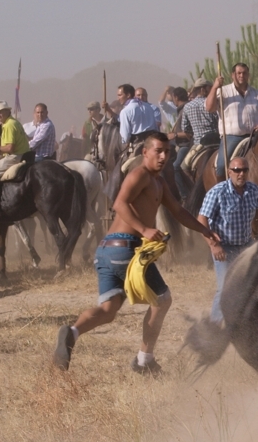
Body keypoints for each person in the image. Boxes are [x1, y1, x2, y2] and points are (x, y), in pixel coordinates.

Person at [55, 133, 220, 373]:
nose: (164, 157)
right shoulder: (139, 175)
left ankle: (72, 332)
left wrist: (204, 230)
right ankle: (144, 361)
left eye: (167, 152)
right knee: (162, 300)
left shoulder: (159, 183)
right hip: (125, 248)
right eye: (158, 151)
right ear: (145, 153)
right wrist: (144, 228)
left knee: (108, 310)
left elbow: (178, 212)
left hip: (107, 251)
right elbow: (119, 204)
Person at [197, 155, 258, 322]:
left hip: (246, 246)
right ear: (229, 172)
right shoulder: (217, 192)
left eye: (244, 170)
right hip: (224, 247)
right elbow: (201, 220)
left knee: (254, 282)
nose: (241, 174)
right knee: (225, 288)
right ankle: (216, 326)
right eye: (237, 170)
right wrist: (213, 245)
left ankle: (250, 320)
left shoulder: (253, 190)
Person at [206, 63, 258, 179]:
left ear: (248, 75)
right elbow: (209, 108)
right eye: (239, 73)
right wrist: (215, 87)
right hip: (232, 137)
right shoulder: (223, 92)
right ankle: (222, 190)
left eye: (244, 73)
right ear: (233, 75)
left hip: (256, 136)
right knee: (221, 166)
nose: (242, 76)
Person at [174, 78, 220, 198]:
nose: (212, 90)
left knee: (181, 168)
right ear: (204, 89)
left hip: (199, 144)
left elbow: (186, 129)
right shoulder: (214, 103)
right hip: (218, 141)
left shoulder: (188, 107)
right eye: (210, 88)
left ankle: (189, 194)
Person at [0, 100, 31, 178]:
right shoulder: (15, 122)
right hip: (25, 155)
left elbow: (10, 148)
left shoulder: (8, 125)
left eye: (0, 112)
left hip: (15, 157)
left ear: (8, 111)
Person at [116, 83, 160, 150]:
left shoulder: (125, 111)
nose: (118, 98)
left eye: (120, 95)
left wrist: (124, 143)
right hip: (153, 141)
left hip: (137, 144)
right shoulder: (148, 107)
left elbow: (125, 136)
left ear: (128, 95)